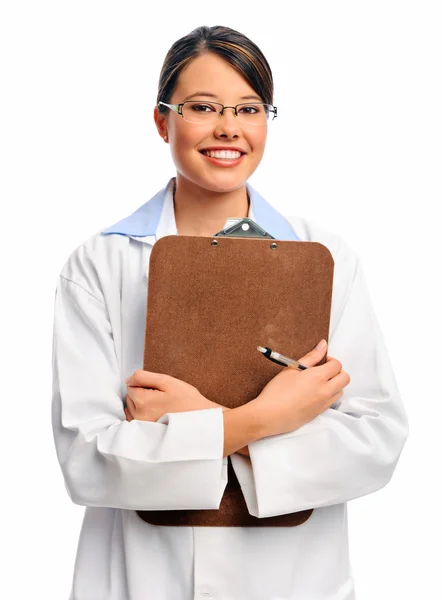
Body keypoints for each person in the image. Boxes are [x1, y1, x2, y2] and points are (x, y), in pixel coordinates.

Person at [51, 24, 409, 600]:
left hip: (293, 581)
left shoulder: (325, 258)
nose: (228, 128)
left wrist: (192, 421)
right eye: (202, 107)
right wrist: (261, 419)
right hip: (143, 579)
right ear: (162, 120)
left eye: (248, 108)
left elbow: (376, 441)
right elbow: (87, 459)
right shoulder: (100, 264)